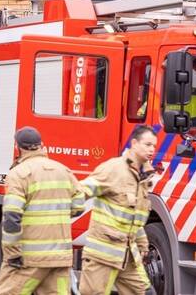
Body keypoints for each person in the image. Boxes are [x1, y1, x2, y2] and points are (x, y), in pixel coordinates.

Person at [0, 127, 86, 295]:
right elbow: (79, 205)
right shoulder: (63, 171)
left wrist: (13, 253)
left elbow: (11, 218)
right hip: (60, 257)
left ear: (18, 147)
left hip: (29, 258)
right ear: (41, 145)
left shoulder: (18, 174)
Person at [78, 125, 159, 295]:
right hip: (102, 256)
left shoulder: (143, 177)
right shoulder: (114, 169)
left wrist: (143, 244)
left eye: (154, 146)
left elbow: (133, 217)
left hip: (128, 256)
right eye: (147, 144)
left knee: (146, 292)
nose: (152, 149)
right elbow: (81, 192)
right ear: (134, 143)